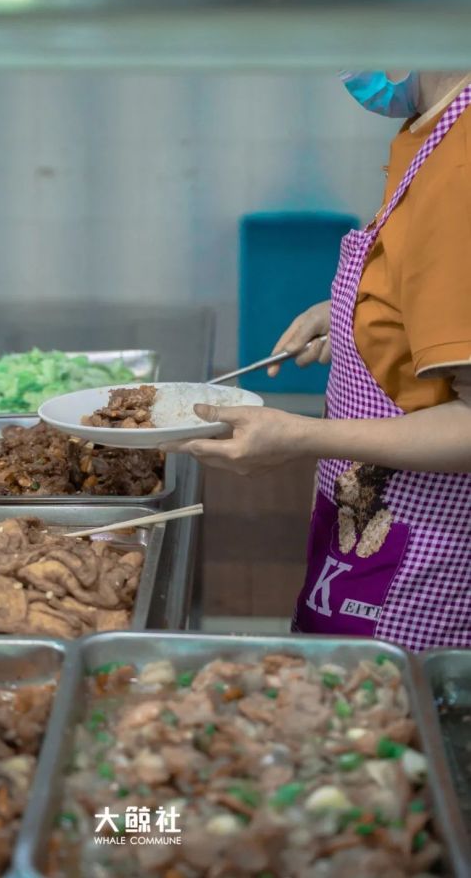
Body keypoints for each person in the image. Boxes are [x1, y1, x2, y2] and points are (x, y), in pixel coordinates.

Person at [164, 70, 471, 652]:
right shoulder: (429, 128)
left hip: (428, 571)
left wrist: (301, 436)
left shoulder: (465, 159)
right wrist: (355, 314)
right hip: (367, 539)